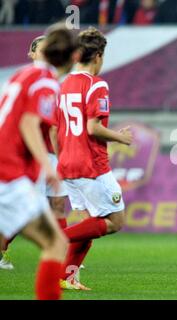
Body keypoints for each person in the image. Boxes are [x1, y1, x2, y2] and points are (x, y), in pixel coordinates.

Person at [0, 24, 78, 299]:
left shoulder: (23, 74)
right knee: (56, 242)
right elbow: (29, 125)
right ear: (72, 57)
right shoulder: (46, 83)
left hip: (9, 173)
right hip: (7, 176)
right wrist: (48, 167)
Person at [55, 27, 133, 290]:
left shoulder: (64, 84)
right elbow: (92, 127)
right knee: (115, 221)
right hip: (91, 165)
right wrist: (121, 138)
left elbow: (56, 127)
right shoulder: (96, 84)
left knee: (91, 222)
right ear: (98, 55)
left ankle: (67, 276)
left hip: (67, 163)